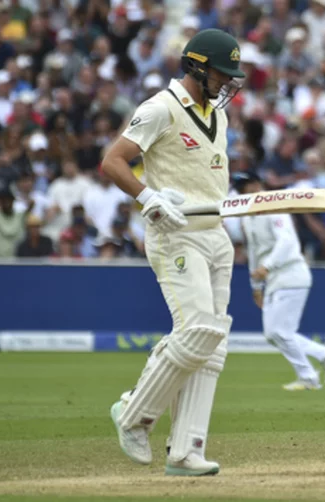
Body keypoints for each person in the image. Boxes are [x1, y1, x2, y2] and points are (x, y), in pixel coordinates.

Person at [101, 29, 245, 477]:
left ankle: (186, 450)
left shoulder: (217, 116)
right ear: (198, 66)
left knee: (213, 344)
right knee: (199, 328)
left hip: (216, 234)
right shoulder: (160, 107)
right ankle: (133, 414)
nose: (227, 82)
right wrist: (149, 199)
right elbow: (113, 160)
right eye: (222, 73)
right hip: (175, 234)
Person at [233, 172, 325, 391]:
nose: (246, 190)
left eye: (248, 185)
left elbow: (287, 241)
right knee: (273, 334)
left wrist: (267, 266)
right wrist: (255, 286)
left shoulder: (275, 209)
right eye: (241, 188)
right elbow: (254, 252)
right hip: (273, 278)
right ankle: (324, 354)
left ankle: (309, 377)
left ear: (257, 185)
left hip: (292, 274)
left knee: (280, 332)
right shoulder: (247, 216)